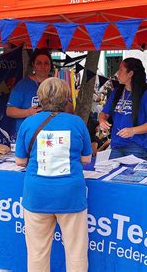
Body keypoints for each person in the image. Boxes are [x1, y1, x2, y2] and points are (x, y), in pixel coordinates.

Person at [15, 77, 92, 271]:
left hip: (37, 195)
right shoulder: (76, 122)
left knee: (37, 252)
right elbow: (87, 159)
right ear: (65, 98)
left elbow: (20, 161)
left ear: (39, 98)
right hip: (71, 195)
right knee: (76, 251)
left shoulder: (29, 123)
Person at [99, 58, 147, 160]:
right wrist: (102, 120)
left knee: (133, 176)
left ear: (130, 73)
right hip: (116, 145)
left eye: (121, 70)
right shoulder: (117, 91)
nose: (117, 73)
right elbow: (104, 113)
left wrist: (133, 131)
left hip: (136, 147)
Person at [6, 49, 52, 133]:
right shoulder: (23, 85)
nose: (43, 66)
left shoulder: (56, 84)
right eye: (39, 63)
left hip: (51, 134)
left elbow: (69, 109)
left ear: (50, 66)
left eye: (46, 63)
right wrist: (28, 112)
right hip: (27, 135)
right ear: (33, 65)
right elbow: (9, 111)